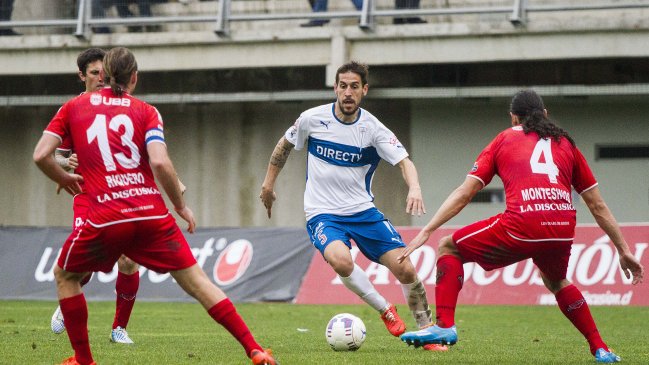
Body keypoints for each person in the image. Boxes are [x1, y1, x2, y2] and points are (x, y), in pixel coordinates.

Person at [33, 47, 277, 365]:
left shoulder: (74, 108)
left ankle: (83, 360)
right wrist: (180, 206)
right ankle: (254, 349)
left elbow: (41, 155)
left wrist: (64, 178)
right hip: (151, 213)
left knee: (65, 275)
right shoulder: (147, 111)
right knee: (199, 283)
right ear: (134, 78)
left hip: (105, 214)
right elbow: (160, 163)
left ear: (103, 75)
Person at [398, 89, 644, 363]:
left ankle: (444, 326)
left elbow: (465, 193)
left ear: (513, 118)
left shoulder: (505, 138)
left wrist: (428, 229)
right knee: (556, 280)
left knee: (449, 247)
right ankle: (601, 349)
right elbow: (597, 205)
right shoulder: (567, 143)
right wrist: (623, 249)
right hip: (562, 228)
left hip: (523, 224)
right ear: (545, 115)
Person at [259, 60, 446, 352]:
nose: (348, 92)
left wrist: (415, 186)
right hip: (322, 213)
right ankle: (385, 309)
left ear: (364, 90)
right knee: (341, 260)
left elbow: (404, 161)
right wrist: (268, 185)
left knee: (406, 268)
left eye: (354, 87)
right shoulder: (312, 119)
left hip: (362, 212)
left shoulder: (373, 129)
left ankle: (428, 332)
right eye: (343, 86)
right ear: (335, 87)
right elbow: (283, 146)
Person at [49, 47, 141, 345]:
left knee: (129, 259)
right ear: (81, 76)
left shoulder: (121, 106)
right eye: (94, 73)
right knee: (84, 262)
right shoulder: (73, 109)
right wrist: (67, 163)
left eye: (105, 73)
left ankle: (119, 329)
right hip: (88, 195)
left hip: (121, 193)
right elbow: (54, 156)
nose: (101, 79)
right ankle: (70, 293)